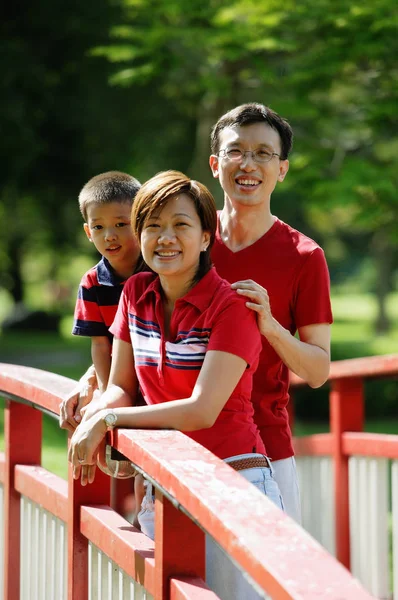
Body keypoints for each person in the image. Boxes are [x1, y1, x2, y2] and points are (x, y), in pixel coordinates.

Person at [68, 170, 284, 600]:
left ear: (206, 237)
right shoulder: (134, 293)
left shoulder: (232, 308)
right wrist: (94, 414)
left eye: (181, 225)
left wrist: (109, 419)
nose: (165, 238)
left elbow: (201, 410)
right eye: (153, 226)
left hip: (232, 482)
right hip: (161, 487)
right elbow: (121, 386)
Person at [209, 103, 333, 523]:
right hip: (184, 444)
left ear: (281, 169)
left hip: (265, 452)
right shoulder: (186, 242)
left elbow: (317, 370)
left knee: (266, 588)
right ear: (215, 163)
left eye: (263, 153)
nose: (248, 163)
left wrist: (272, 328)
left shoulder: (304, 255)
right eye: (236, 151)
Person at [59, 171, 143, 431]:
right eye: (98, 227)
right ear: (87, 231)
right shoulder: (92, 283)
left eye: (120, 224)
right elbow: (99, 344)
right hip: (120, 383)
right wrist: (108, 394)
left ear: (140, 221)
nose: (109, 235)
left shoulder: (159, 273)